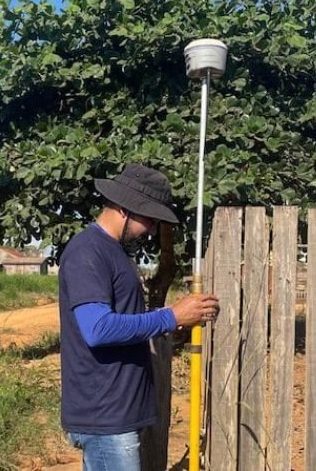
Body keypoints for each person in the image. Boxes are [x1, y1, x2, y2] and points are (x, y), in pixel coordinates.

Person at [58, 163, 219, 471]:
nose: (154, 230)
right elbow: (98, 328)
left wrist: (170, 315)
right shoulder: (87, 251)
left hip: (118, 413)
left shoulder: (114, 252)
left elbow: (122, 318)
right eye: (151, 219)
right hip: (105, 416)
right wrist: (170, 317)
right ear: (124, 208)